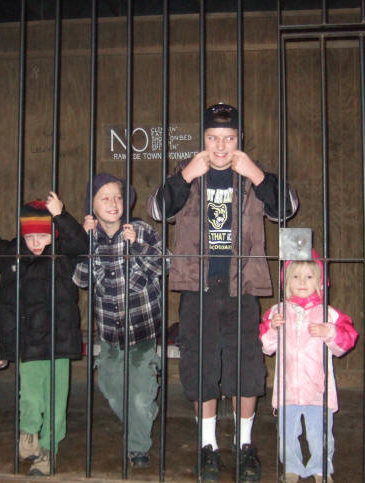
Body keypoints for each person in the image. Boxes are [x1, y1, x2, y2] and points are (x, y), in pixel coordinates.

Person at [147, 103, 298, 481]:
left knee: (246, 366)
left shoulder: (252, 176)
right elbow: (157, 211)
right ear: (202, 140)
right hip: (197, 287)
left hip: (241, 287)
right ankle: (208, 446)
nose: (220, 146)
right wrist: (185, 175)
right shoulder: (186, 176)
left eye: (228, 138)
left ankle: (245, 445)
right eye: (212, 138)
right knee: (200, 366)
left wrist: (257, 174)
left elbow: (287, 209)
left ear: (239, 140)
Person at [0, 191, 87, 476]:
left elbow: (81, 243)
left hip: (58, 338)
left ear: (53, 235)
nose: (35, 243)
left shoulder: (62, 255)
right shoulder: (15, 253)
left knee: (56, 399)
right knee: (30, 395)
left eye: (42, 236)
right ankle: (29, 432)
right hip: (27, 340)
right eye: (30, 236)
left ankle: (48, 447)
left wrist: (60, 216)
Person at [73, 173, 164, 469]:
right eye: (105, 198)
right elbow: (80, 280)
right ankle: (143, 416)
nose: (113, 203)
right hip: (110, 334)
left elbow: (166, 263)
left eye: (118, 197)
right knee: (111, 388)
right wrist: (86, 243)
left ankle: (137, 446)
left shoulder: (141, 230)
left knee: (138, 396)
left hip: (142, 332)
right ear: (92, 206)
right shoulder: (89, 238)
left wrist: (136, 246)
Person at [260, 254, 358, 483]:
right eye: (295, 276)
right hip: (288, 389)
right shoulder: (277, 312)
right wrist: (273, 328)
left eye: (309, 277)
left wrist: (330, 332)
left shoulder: (328, 313)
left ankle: (321, 468)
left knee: (319, 433)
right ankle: (291, 467)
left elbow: (346, 341)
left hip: (318, 390)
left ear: (320, 282)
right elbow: (266, 346)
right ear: (286, 281)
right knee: (287, 433)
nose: (302, 282)